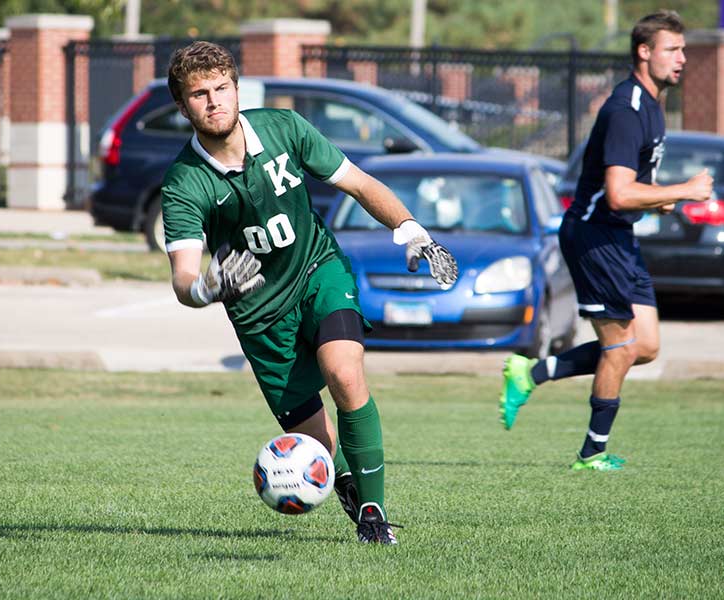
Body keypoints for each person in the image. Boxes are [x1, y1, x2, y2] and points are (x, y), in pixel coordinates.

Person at [161, 41, 457, 544]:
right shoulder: (183, 184)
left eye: (221, 89)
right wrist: (208, 287)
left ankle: (373, 516)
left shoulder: (285, 128)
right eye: (199, 94)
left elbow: (360, 184)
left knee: (344, 373)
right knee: (320, 446)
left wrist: (412, 231)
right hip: (259, 319)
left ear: (236, 89)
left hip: (318, 271)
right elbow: (183, 279)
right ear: (183, 105)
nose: (213, 101)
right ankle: (346, 482)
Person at [499, 11, 714, 471]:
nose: (682, 59)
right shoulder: (626, 109)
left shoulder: (653, 105)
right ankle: (591, 454)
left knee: (646, 345)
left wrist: (656, 200)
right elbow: (617, 193)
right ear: (644, 51)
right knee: (619, 347)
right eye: (672, 50)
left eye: (682, 50)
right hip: (595, 236)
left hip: (618, 235)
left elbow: (628, 191)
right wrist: (683, 190)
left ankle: (531, 372)